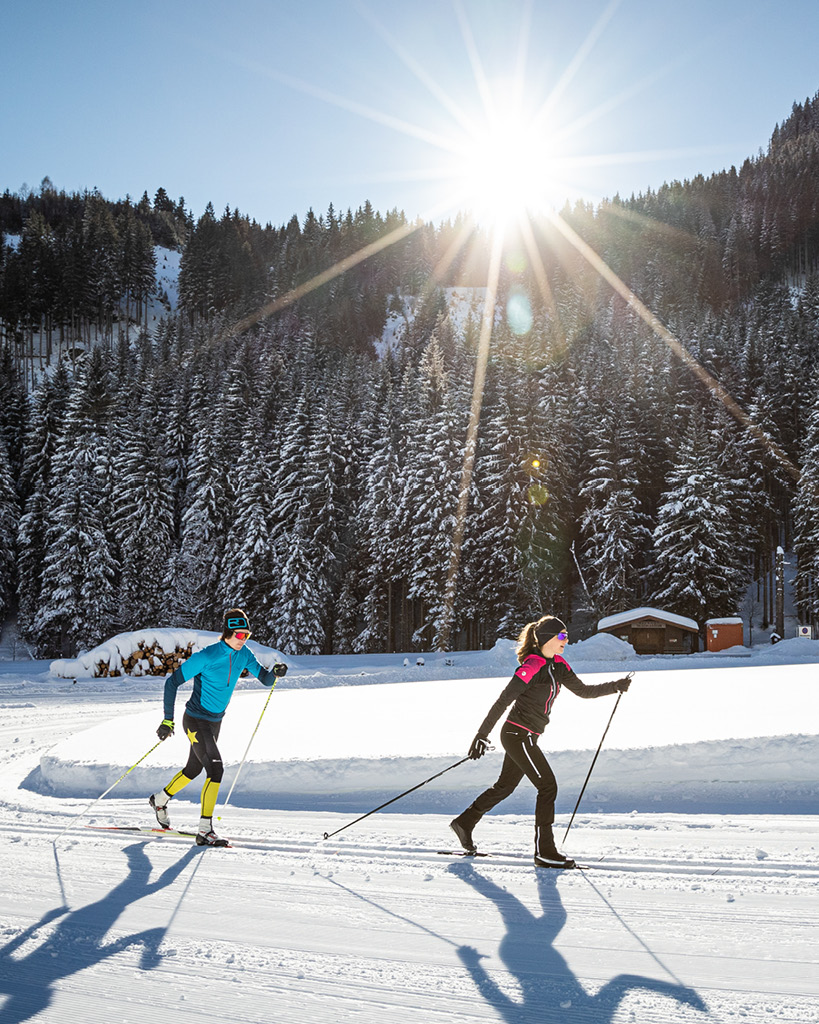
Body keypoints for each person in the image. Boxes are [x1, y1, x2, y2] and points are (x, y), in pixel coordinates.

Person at [450, 615, 631, 868]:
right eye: (561, 636)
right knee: (547, 786)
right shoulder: (532, 666)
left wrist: (616, 686)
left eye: (566, 636)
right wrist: (481, 735)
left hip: (527, 736)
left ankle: (464, 822)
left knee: (504, 786)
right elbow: (503, 701)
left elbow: (583, 691)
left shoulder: (559, 665)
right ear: (546, 638)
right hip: (517, 734)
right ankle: (544, 851)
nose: (566, 640)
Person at [149, 608, 287, 846]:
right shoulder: (207, 656)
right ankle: (205, 830)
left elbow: (265, 680)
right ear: (228, 633)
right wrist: (167, 720)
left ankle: (159, 800)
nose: (245, 640)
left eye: (248, 635)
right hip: (195, 720)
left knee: (193, 769)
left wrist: (275, 673)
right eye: (241, 635)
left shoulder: (244, 654)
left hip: (215, 722)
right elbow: (172, 683)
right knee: (215, 769)